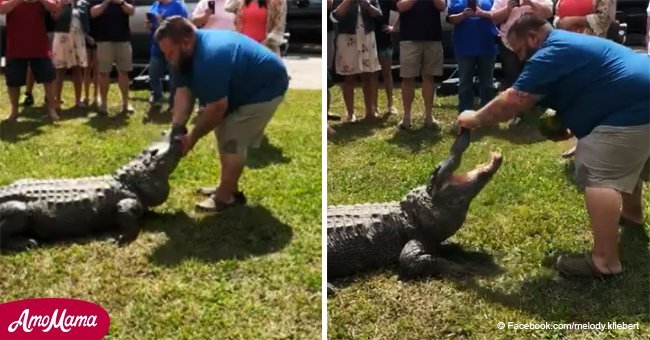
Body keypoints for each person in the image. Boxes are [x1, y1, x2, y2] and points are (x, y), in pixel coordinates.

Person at [457, 13, 650, 280]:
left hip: (634, 108)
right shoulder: (569, 42)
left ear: (533, 37)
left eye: (520, 50)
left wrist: (475, 118)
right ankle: (632, 215)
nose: (521, 58)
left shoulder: (550, 52)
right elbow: (593, 86)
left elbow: (515, 100)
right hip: (640, 97)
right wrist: (575, 124)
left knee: (598, 171)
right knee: (626, 158)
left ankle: (605, 262)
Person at [155, 16, 288, 212]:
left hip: (265, 88)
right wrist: (177, 128)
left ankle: (225, 197)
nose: (167, 58)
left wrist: (192, 137)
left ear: (186, 42)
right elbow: (183, 91)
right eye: (165, 53)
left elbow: (217, 107)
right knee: (223, 133)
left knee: (232, 137)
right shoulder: (182, 55)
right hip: (240, 87)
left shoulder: (210, 56)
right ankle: (227, 186)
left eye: (170, 53)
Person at [553, 0, 616, 158]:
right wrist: (559, 22)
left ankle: (596, 145)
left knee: (593, 99)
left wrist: (573, 20)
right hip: (568, 49)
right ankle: (580, 142)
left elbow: (606, 18)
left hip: (591, 51)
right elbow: (557, 14)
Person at [489, 0, 553, 126]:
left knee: (539, 75)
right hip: (509, 44)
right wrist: (508, 9)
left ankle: (540, 109)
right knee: (515, 79)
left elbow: (549, 12)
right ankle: (517, 113)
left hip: (536, 43)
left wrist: (530, 3)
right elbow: (493, 18)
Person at [0, 0, 60, 121]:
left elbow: (55, 8)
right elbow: (2, 9)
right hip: (16, 47)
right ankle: (14, 111)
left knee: (49, 79)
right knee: (13, 82)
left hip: (39, 46)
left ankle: (51, 110)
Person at [396, 0, 446, 129]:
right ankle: (406, 117)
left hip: (432, 38)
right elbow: (400, 6)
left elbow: (442, 6)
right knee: (407, 78)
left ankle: (429, 116)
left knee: (429, 77)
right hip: (409, 39)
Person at [331, 0, 382, 122]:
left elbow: (379, 14)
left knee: (368, 76)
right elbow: (335, 17)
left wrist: (368, 5)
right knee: (349, 77)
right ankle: (350, 114)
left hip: (367, 37)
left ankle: (370, 111)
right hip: (347, 38)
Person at [447, 0, 498, 114]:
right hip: (464, 47)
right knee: (465, 83)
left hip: (487, 45)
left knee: (487, 83)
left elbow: (498, 16)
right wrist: (463, 15)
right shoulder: (455, 1)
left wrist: (484, 13)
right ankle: (465, 113)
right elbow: (450, 19)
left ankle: (487, 113)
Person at [89, 0, 135, 115]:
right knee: (104, 73)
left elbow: (131, 10)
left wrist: (121, 3)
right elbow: (93, 13)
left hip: (123, 39)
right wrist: (106, 2)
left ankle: (125, 103)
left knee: (123, 72)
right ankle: (104, 104)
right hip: (104, 40)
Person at [146, 0, 188, 111]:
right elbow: (151, 24)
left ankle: (173, 101)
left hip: (173, 46)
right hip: (157, 46)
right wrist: (150, 25)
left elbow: (184, 24)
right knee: (153, 73)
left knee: (173, 75)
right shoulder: (155, 4)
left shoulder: (178, 5)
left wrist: (164, 21)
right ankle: (157, 96)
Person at [51, 0, 91, 109]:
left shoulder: (82, 3)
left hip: (78, 38)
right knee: (60, 70)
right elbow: (53, 17)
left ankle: (78, 100)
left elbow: (87, 21)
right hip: (62, 38)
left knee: (77, 69)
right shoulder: (58, 1)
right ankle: (57, 99)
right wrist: (60, 6)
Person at [373, 0, 398, 116]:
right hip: (369, 42)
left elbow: (402, 9)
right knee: (373, 75)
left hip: (384, 41)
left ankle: (390, 105)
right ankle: (374, 106)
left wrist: (394, 27)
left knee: (387, 73)